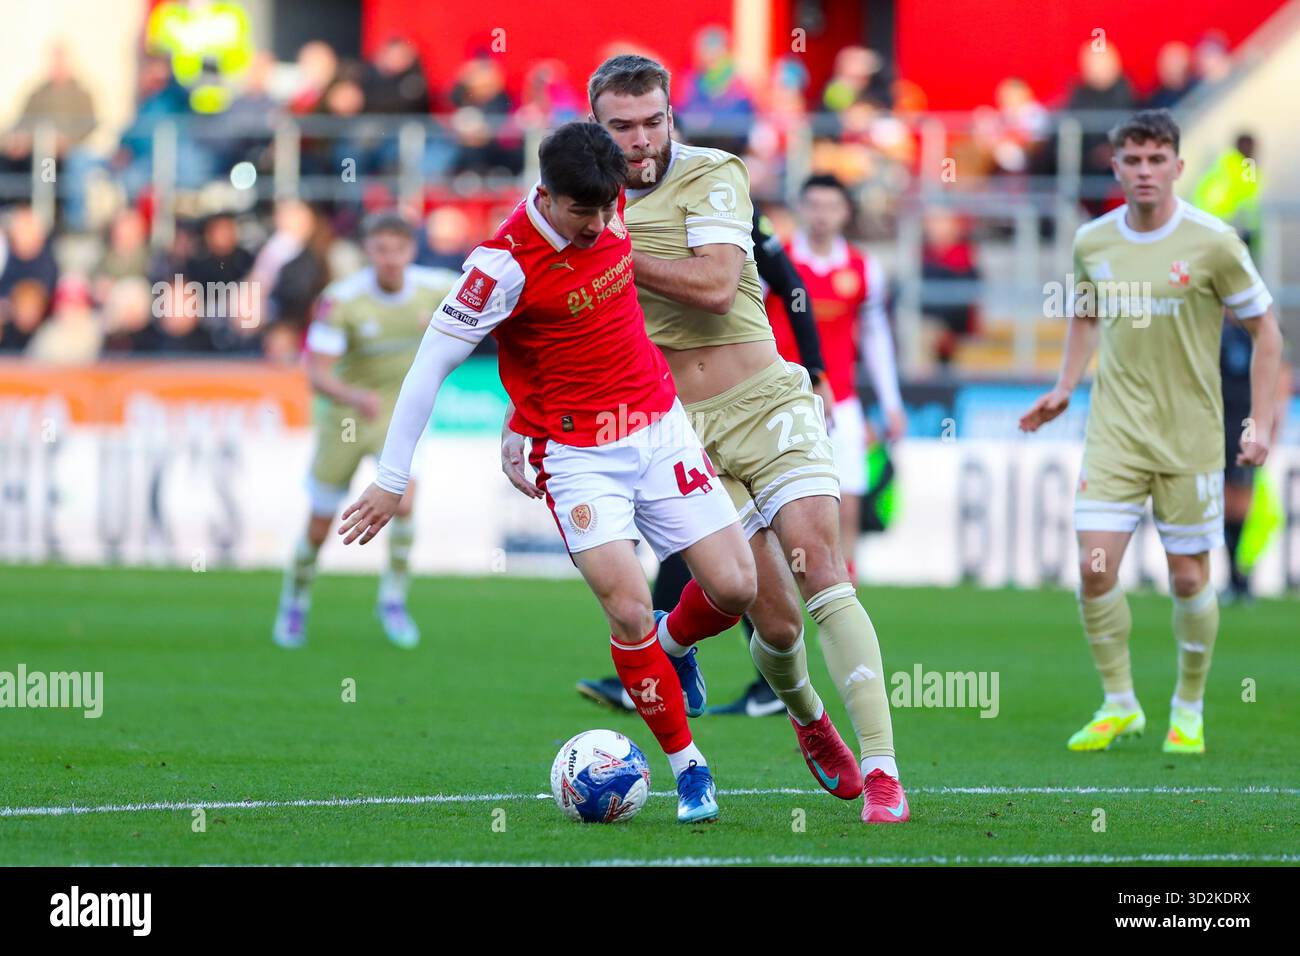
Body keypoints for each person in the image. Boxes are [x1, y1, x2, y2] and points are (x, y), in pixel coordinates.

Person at [339, 122, 758, 824]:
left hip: (660, 426)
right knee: (626, 611)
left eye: (606, 210)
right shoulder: (500, 267)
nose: (598, 226)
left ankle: (673, 642)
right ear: (545, 193)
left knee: (737, 587)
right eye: (582, 213)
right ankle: (691, 770)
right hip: (579, 458)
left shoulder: (609, 198)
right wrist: (390, 476)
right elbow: (428, 369)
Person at [561, 55, 908, 822]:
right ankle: (808, 718)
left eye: (655, 120)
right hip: (674, 429)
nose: (643, 139)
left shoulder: (715, 172)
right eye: (623, 126)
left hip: (764, 399)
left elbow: (718, 287)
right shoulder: (577, 200)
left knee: (824, 567)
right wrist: (526, 423)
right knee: (765, 612)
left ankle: (883, 771)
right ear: (597, 125)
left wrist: (615, 249)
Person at [1019, 109, 1283, 755]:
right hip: (1114, 430)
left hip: (1191, 434)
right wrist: (1064, 384)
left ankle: (1188, 707)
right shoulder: (1094, 241)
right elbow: (1085, 314)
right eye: (1131, 161)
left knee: (1190, 579)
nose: (1143, 171)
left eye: (1155, 160)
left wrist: (1261, 423)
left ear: (1177, 167)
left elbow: (1268, 332)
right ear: (1115, 167)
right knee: (1093, 565)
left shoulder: (1215, 242)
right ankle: (1119, 702)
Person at [576, 203, 829, 719]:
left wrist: (816, 370)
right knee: (708, 537)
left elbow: (791, 287)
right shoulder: (618, 213)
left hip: (755, 402)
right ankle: (679, 662)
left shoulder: (726, 209)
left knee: (745, 542)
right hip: (671, 403)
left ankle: (716, 674)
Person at [273, 212, 458, 649]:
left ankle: (392, 600)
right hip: (349, 416)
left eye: (398, 249)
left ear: (411, 251)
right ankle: (295, 601)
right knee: (320, 524)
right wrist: (353, 398)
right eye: (380, 250)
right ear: (367, 252)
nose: (390, 260)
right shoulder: (343, 300)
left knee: (406, 502)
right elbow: (316, 373)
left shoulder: (436, 287)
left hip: (399, 414)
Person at [769, 174, 906, 581]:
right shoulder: (779, 261)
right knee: (780, 503)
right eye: (813, 205)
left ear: (845, 212)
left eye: (831, 206)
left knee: (846, 503)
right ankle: (778, 590)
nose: (822, 215)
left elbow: (876, 338)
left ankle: (846, 586)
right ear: (801, 209)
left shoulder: (863, 269)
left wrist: (891, 403)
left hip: (841, 400)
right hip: (784, 401)